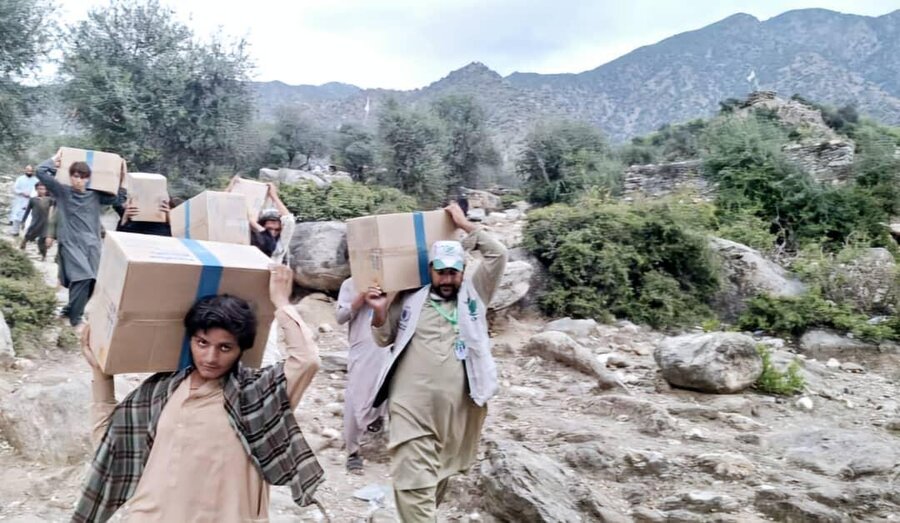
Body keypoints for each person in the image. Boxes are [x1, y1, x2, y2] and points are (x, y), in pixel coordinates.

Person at [74, 265, 324, 522]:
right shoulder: (161, 390)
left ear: (241, 350)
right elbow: (110, 443)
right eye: (202, 343)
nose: (211, 357)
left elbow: (307, 361)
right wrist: (102, 375)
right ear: (190, 340)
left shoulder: (256, 395)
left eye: (225, 347)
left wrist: (281, 302)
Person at [365, 202, 508, 522]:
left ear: (462, 271)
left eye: (453, 271)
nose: (446, 278)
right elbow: (384, 338)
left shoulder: (475, 294)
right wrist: (378, 310)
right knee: (412, 482)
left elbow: (498, 253)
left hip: (456, 414)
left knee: (436, 478)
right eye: (440, 270)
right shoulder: (410, 297)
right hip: (410, 408)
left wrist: (464, 224)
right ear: (429, 269)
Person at [35, 152, 124, 329]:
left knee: (93, 281)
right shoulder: (63, 192)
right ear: (70, 176)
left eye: (83, 177)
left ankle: (71, 309)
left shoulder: (95, 195)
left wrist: (121, 178)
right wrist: (54, 159)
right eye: (75, 176)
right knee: (83, 277)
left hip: (92, 244)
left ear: (88, 179)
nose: (78, 181)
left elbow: (119, 198)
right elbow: (40, 171)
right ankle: (76, 318)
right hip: (71, 242)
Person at [335, 277, 389, 474]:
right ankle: (353, 452)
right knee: (355, 397)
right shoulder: (349, 284)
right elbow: (340, 316)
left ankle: (378, 421)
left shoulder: (396, 280)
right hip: (362, 346)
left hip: (390, 343)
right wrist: (361, 298)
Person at [247, 182, 295, 265]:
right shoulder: (253, 234)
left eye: (277, 230)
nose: (273, 233)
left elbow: (289, 221)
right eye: (269, 229)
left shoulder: (280, 245)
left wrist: (274, 196)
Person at [19, 182, 54, 260]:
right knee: (29, 234)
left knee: (42, 240)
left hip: (45, 223)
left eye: (43, 189)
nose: (42, 191)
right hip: (35, 222)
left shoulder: (50, 200)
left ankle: (43, 255)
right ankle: (23, 243)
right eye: (40, 189)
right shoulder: (33, 200)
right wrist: (23, 221)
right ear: (36, 189)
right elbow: (27, 211)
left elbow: (53, 211)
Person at [8, 164, 37, 236]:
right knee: (17, 215)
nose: (29, 172)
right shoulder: (20, 179)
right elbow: (15, 189)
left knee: (30, 217)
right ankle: (15, 232)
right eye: (28, 170)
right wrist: (22, 192)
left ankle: (28, 234)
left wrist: (32, 195)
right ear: (25, 170)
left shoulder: (36, 180)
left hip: (31, 201)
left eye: (31, 171)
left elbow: (38, 190)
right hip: (20, 200)